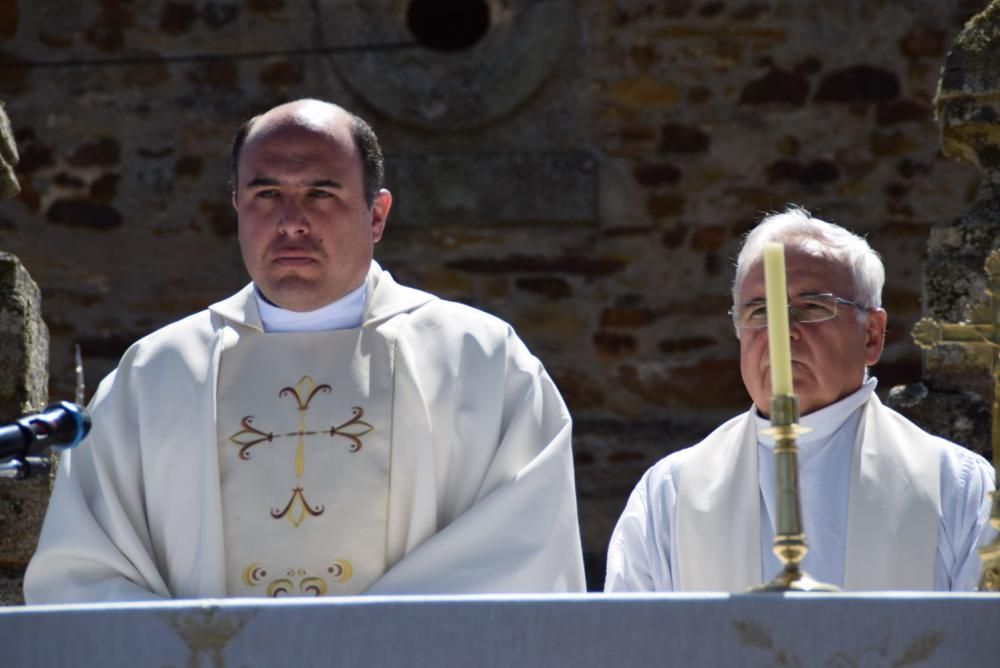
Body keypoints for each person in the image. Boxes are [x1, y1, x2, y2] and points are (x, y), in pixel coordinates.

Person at [24, 99, 585, 602]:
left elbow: (523, 554)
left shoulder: (479, 362)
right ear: (237, 207)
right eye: (267, 194)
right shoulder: (156, 375)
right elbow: (85, 572)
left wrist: (354, 649)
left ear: (376, 214)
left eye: (321, 192)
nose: (292, 222)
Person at [605, 207, 996, 592]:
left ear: (872, 335)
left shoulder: (956, 487)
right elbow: (629, 645)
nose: (783, 331)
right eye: (760, 311)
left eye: (812, 307)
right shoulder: (670, 494)